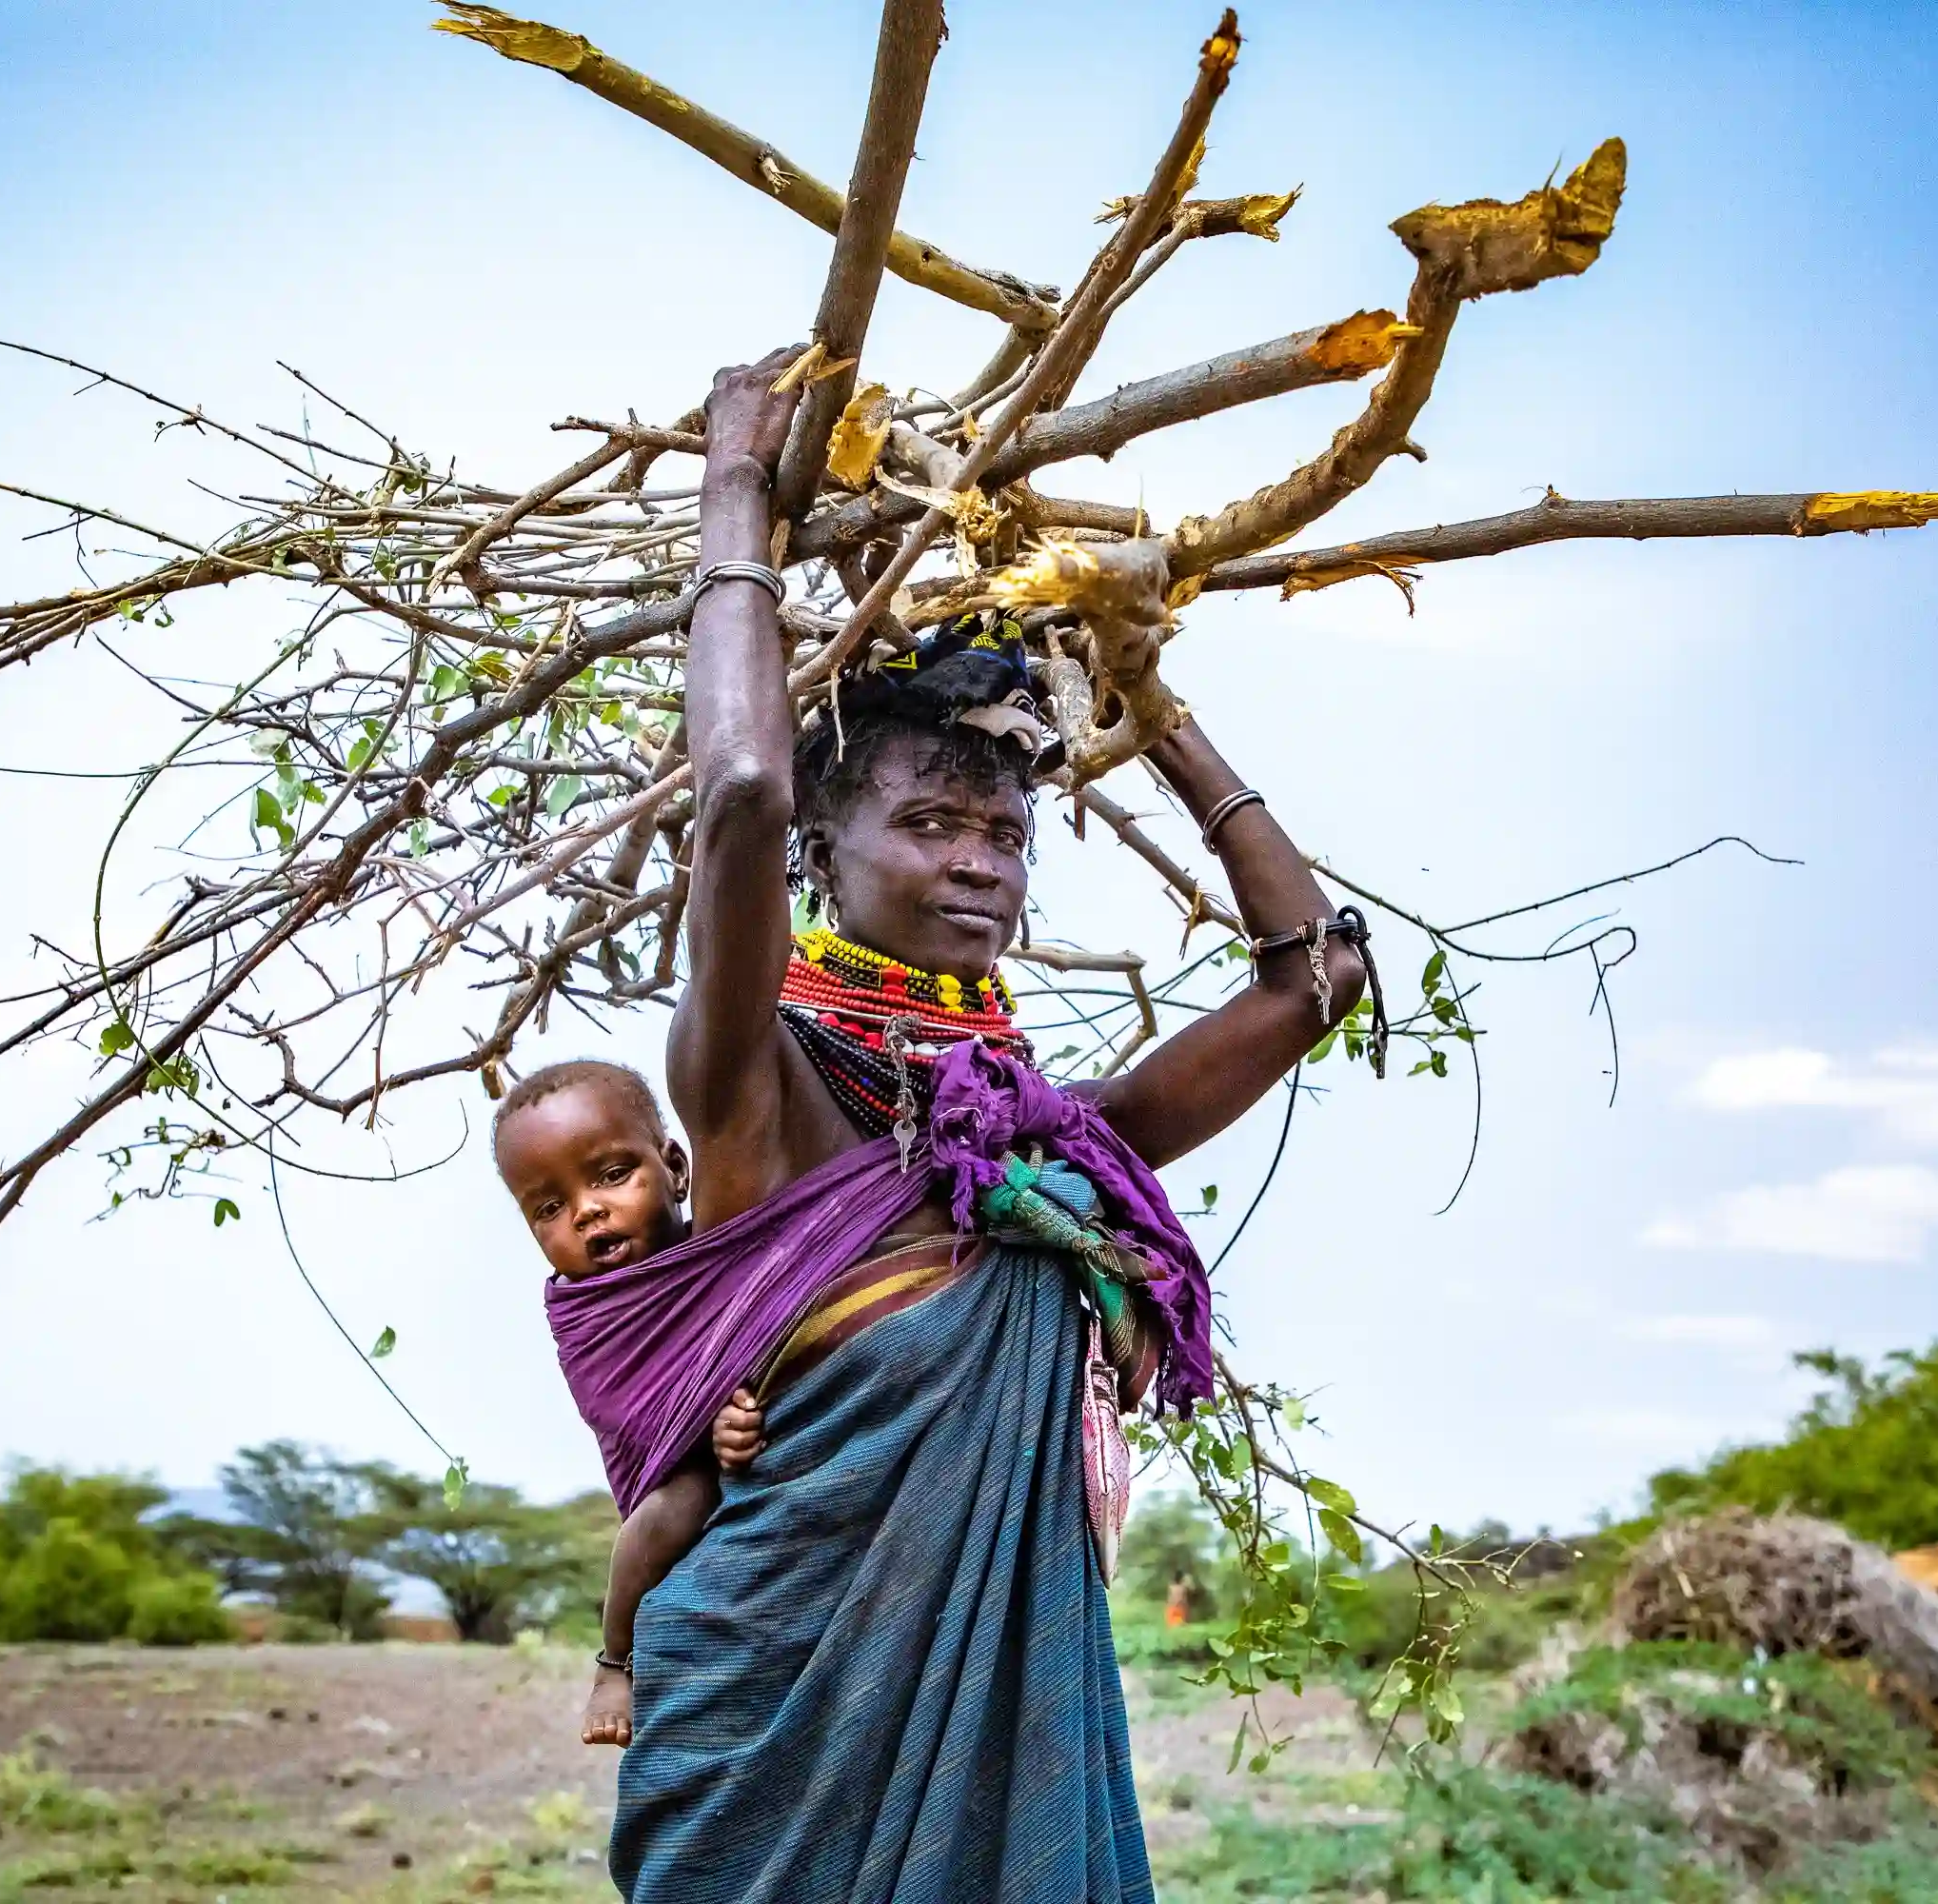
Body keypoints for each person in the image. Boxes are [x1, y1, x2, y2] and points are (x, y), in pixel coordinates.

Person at [564, 347, 1368, 1904]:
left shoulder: (1054, 1156)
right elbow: (735, 786)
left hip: (997, 1759)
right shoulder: (756, 1085)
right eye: (927, 820)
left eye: (1004, 830)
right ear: (829, 838)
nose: (981, 860)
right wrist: (733, 481)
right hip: (760, 1743)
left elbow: (1315, 974)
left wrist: (1138, 690)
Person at [490, 1059, 760, 1749]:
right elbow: (626, 1408)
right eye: (548, 1207)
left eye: (612, 1175)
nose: (585, 1210)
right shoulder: (585, 1312)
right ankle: (615, 1663)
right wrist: (711, 1425)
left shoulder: (732, 1243)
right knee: (676, 1508)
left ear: (674, 1167)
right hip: (669, 1473)